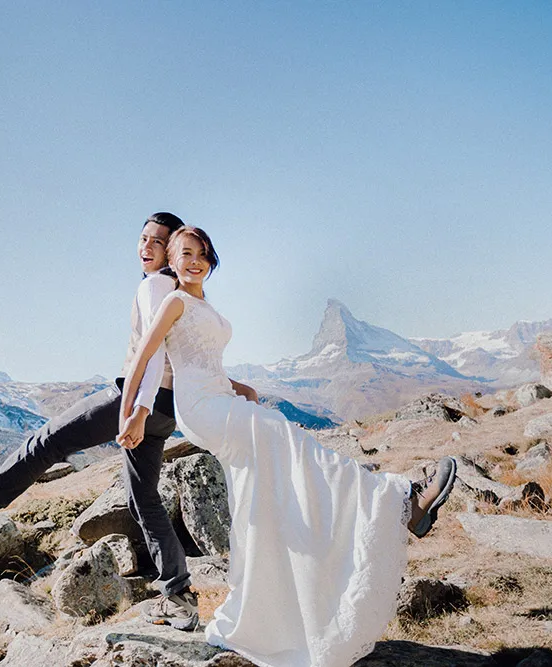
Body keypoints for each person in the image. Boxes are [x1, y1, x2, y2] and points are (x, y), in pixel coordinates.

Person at [117, 226, 457, 667]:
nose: (195, 260)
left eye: (202, 253)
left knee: (266, 493)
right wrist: (133, 414)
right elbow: (145, 356)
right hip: (200, 408)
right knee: (291, 441)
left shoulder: (203, 305)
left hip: (219, 398)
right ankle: (400, 500)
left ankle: (265, 616)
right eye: (185, 254)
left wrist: (241, 388)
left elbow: (205, 360)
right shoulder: (174, 300)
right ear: (172, 261)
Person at [0, 213, 257, 631]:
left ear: (170, 251)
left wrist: (137, 408)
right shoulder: (183, 291)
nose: (146, 247)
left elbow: (151, 355)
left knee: (47, 442)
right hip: (169, 410)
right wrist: (235, 387)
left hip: (139, 401)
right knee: (144, 500)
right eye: (143, 239)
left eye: (157, 242)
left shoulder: (156, 286)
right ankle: (179, 596)